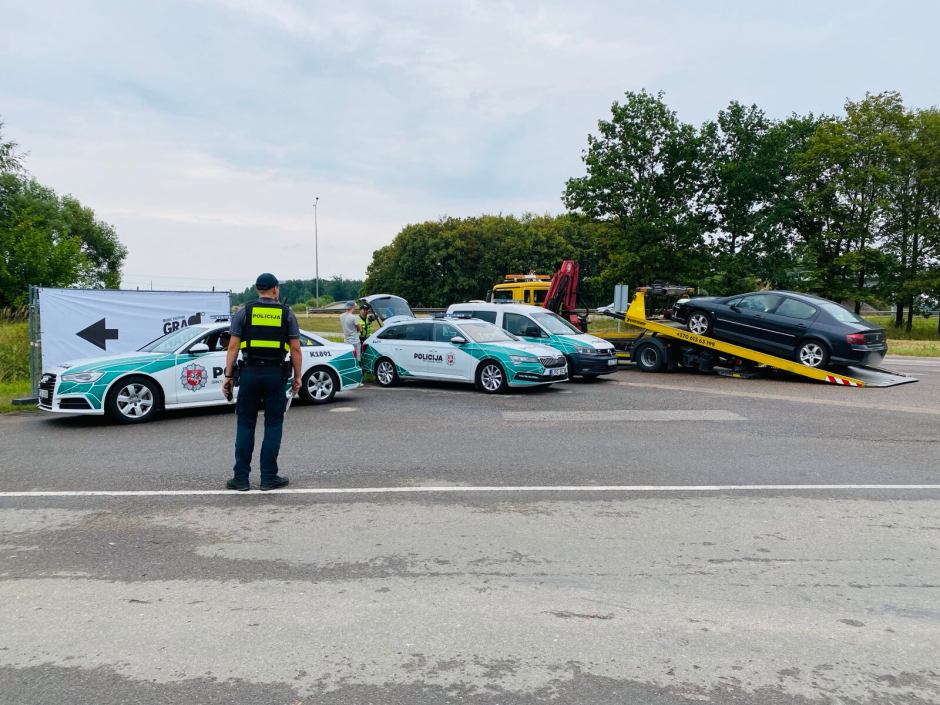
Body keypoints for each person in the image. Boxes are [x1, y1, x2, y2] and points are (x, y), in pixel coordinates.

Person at [221, 273, 302, 491]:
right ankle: (268, 477)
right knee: (273, 425)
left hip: (249, 374)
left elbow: (233, 348)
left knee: (246, 425)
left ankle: (241, 479)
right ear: (275, 289)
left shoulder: (244, 312)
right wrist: (297, 377)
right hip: (275, 375)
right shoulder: (287, 314)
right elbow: (295, 349)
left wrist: (228, 377)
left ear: (258, 289)